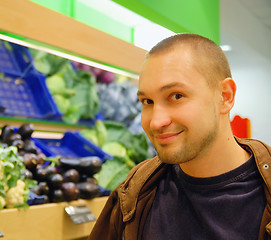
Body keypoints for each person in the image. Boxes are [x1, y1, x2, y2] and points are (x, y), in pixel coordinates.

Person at [88, 33, 271, 240]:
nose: (156, 122)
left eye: (176, 96)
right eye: (148, 101)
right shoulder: (134, 193)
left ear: (225, 97)